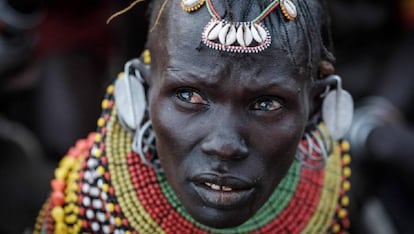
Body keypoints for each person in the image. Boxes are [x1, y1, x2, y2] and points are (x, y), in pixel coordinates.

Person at [33, 0, 353, 233]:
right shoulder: (88, 207)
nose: (225, 146)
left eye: (267, 104)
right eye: (188, 96)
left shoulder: (335, 196)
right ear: (142, 94)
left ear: (317, 108)